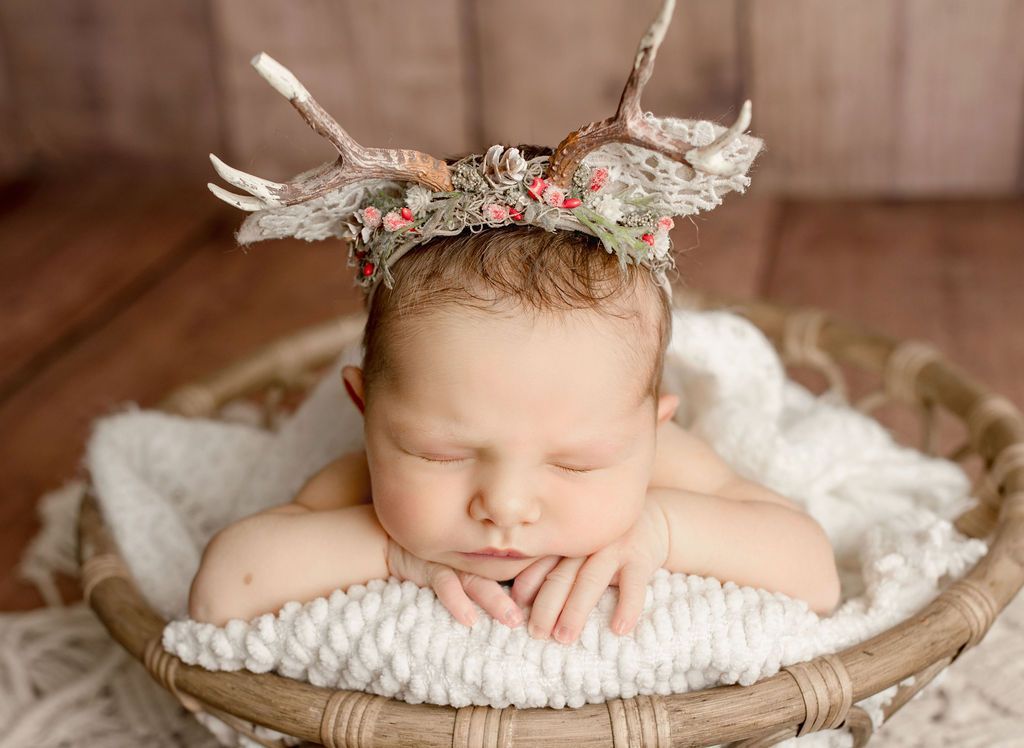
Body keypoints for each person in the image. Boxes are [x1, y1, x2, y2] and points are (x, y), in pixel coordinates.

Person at [188, 224, 841, 643]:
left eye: (577, 464)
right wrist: (391, 553)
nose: (504, 505)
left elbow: (815, 573)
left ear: (649, 430)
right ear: (365, 411)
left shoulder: (659, 466)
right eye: (439, 454)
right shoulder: (358, 480)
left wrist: (662, 529)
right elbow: (221, 592)